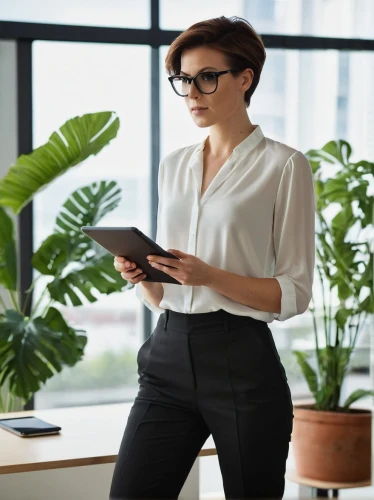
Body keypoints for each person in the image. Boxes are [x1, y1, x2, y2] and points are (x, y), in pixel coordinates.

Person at [110, 15, 315, 500]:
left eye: (207, 77)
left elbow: (294, 292)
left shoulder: (284, 166)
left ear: (245, 78)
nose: (193, 93)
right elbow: (164, 294)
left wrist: (208, 275)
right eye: (183, 79)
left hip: (242, 363)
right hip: (167, 355)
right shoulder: (174, 165)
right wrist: (142, 273)